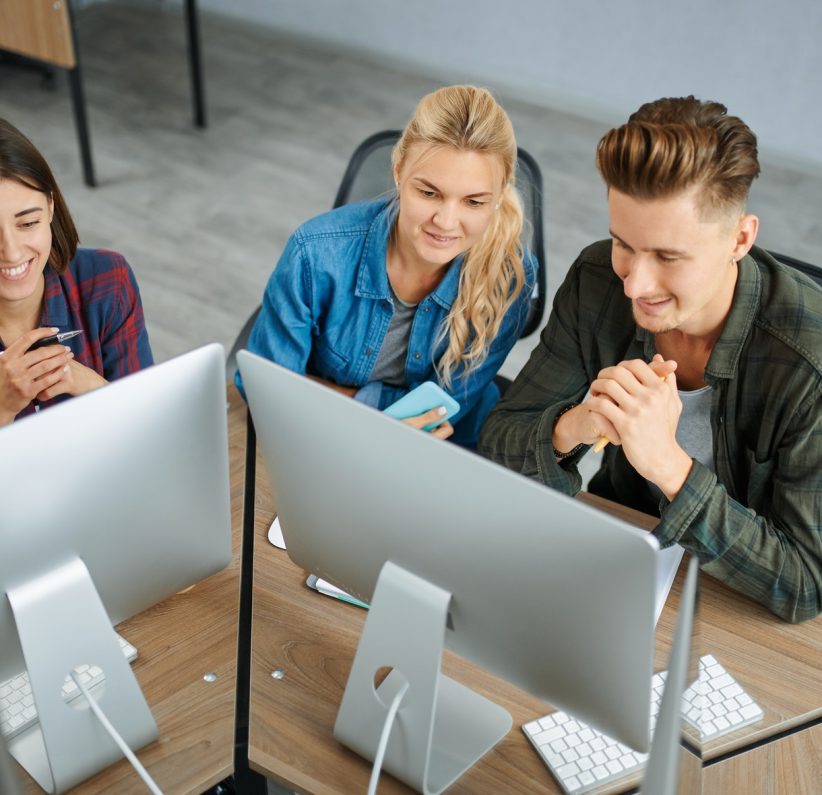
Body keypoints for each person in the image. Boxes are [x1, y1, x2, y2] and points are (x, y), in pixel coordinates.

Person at [480, 96, 822, 623]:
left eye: (668, 256)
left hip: (742, 611)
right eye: (624, 244)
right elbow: (501, 444)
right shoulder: (598, 280)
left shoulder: (809, 364)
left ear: (740, 238)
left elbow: (801, 585)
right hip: (624, 565)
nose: (635, 284)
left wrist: (668, 466)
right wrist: (573, 426)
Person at [239, 85, 537, 447]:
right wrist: (378, 419)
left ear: (500, 192)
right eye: (428, 193)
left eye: (474, 202)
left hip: (443, 447)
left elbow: (449, 408)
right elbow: (265, 387)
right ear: (398, 171)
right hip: (321, 436)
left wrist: (341, 397)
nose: (445, 221)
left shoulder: (510, 276)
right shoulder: (315, 252)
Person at [0, 118, 153, 425]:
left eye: (28, 223)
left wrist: (90, 385)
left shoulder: (107, 281)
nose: (12, 252)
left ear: (51, 207)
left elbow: (151, 424)